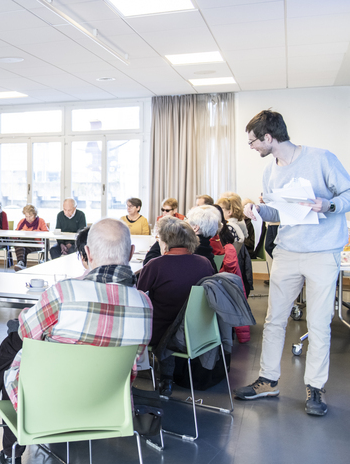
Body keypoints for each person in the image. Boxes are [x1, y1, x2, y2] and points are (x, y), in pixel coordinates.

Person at [0, 219, 152, 464]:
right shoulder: (145, 304)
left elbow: (26, 333)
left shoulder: (65, 292)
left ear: (88, 253)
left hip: (48, 402)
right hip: (107, 408)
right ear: (132, 252)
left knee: (19, 353)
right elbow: (140, 360)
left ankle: (9, 453)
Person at [234, 110, 350, 416]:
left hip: (323, 251)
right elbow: (277, 213)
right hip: (286, 250)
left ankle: (316, 388)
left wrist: (329, 204)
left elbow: (348, 194)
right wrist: (258, 210)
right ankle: (268, 379)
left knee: (319, 323)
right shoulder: (270, 171)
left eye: (253, 142)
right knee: (274, 319)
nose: (252, 147)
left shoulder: (321, 158)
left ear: (269, 137)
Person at [137, 216, 215, 396]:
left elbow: (140, 296)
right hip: (198, 331)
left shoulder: (155, 265)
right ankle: (167, 377)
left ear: (164, 242)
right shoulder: (204, 263)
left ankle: (151, 376)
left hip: (162, 332)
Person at [143, 206, 218, 272]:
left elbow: (148, 263)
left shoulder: (185, 251)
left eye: (186, 220)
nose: (184, 222)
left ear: (195, 228)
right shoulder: (207, 254)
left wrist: (162, 238)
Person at [12, 204, 48, 271]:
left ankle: (21, 264)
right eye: (26, 216)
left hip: (36, 244)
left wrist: (34, 231)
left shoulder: (40, 221)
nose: (28, 218)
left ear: (35, 214)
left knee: (21, 247)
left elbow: (46, 232)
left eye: (30, 216)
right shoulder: (22, 221)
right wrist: (20, 232)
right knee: (18, 243)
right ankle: (21, 264)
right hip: (24, 243)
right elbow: (15, 235)